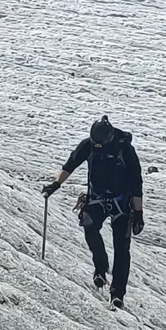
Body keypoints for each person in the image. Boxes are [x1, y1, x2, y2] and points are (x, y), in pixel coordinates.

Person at [44, 115, 144, 308]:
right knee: (89, 227)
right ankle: (100, 267)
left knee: (122, 249)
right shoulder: (88, 145)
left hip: (121, 204)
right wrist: (55, 185)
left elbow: (136, 183)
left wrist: (138, 214)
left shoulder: (125, 150)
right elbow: (70, 164)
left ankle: (117, 294)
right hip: (97, 198)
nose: (97, 146)